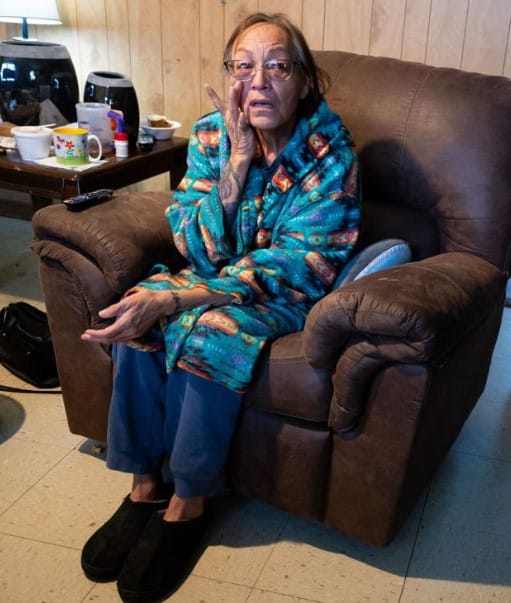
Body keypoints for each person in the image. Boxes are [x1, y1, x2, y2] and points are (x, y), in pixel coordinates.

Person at [78, 12, 360, 602]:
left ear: (305, 81)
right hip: (208, 275)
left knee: (212, 329)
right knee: (140, 311)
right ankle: (144, 484)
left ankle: (189, 500)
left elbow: (304, 261)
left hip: (281, 295)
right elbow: (192, 243)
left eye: (277, 66)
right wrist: (236, 163)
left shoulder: (329, 152)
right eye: (243, 66)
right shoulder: (213, 136)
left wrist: (187, 296)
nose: (258, 81)